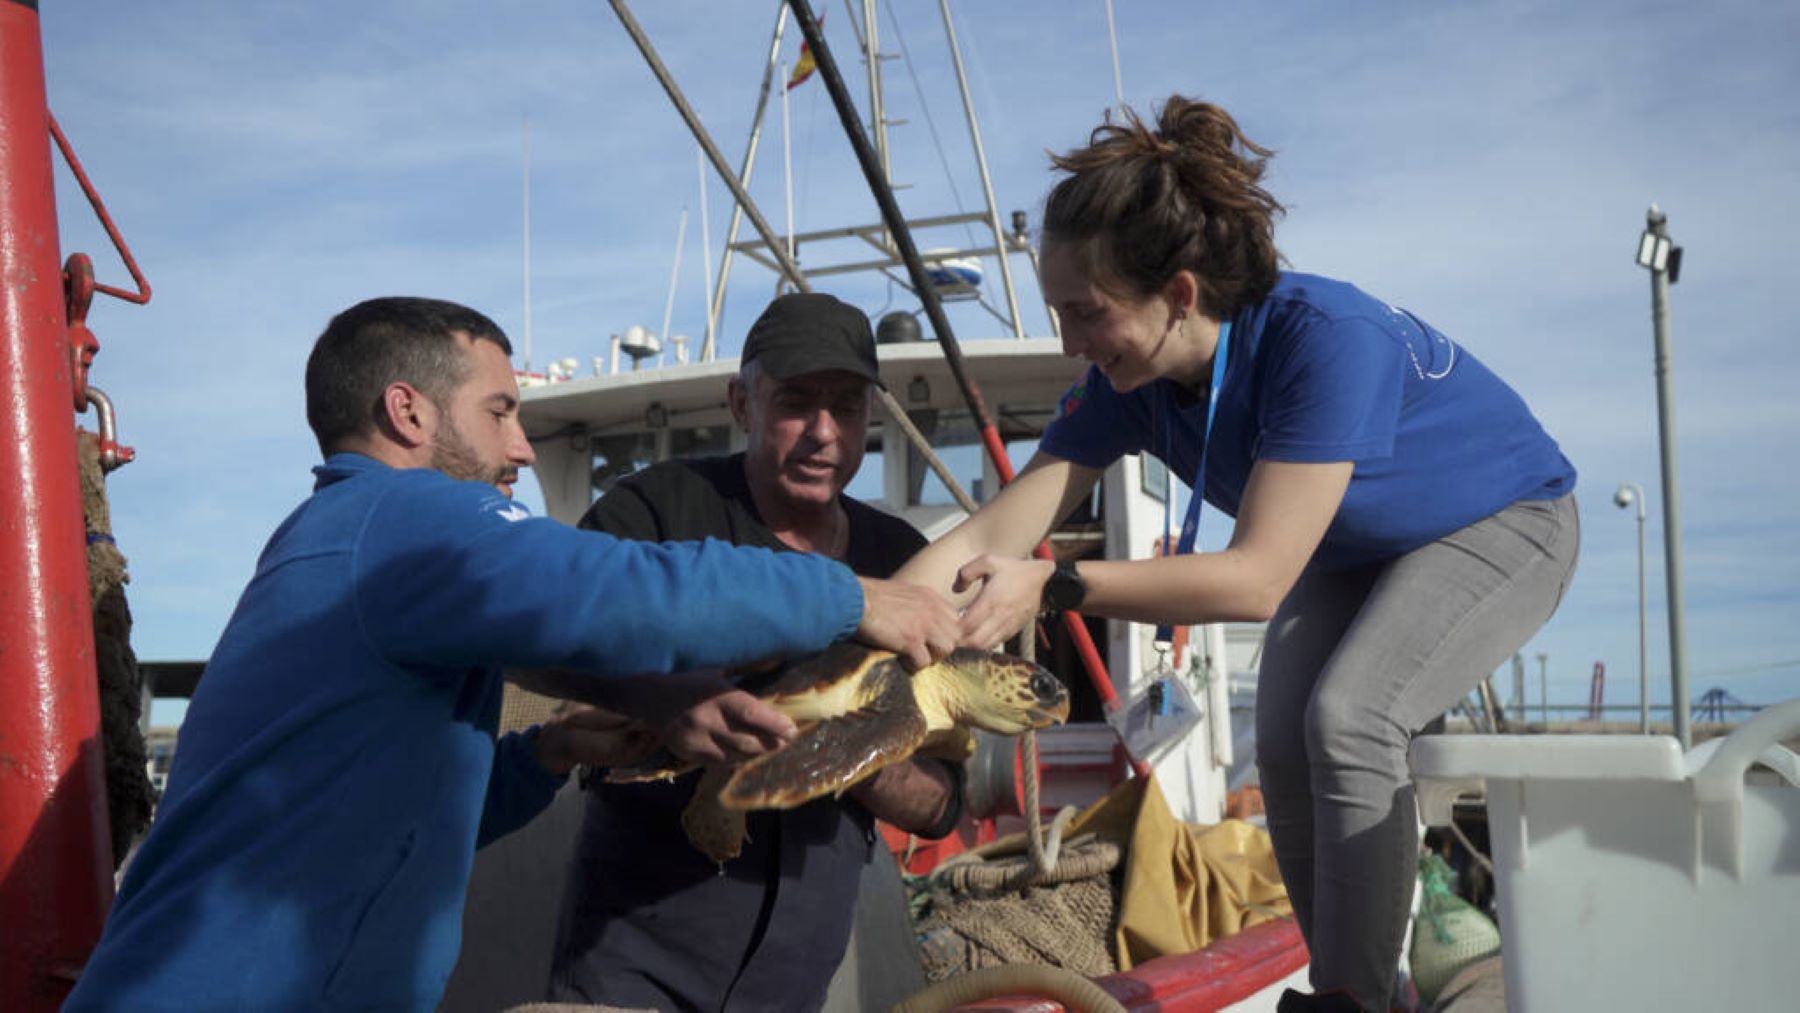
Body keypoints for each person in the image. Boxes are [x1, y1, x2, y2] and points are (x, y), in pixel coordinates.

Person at [65, 296, 958, 1012]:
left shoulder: (340, 540)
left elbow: (403, 811)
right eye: (500, 411)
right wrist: (855, 596)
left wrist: (550, 753)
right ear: (407, 411)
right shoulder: (407, 519)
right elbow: (625, 591)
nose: (523, 448)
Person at [895, 98, 1579, 1012]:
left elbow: (1256, 580)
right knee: (1285, 746)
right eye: (1059, 313)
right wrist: (863, 624)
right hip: (1356, 553)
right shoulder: (1127, 381)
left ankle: (1356, 1000)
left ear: (1179, 294)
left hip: (1507, 524)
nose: (1070, 344)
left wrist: (1057, 584)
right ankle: (1345, 986)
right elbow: (989, 533)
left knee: (1348, 718)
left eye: (1086, 312)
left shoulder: (1322, 341)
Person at [546, 292, 962, 1012]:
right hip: (632, 948)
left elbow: (941, 802)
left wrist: (847, 752)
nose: (824, 433)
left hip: (798, 968)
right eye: (797, 401)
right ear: (742, 402)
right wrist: (667, 700)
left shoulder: (903, 560)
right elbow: (552, 638)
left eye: (849, 407)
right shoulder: (652, 511)